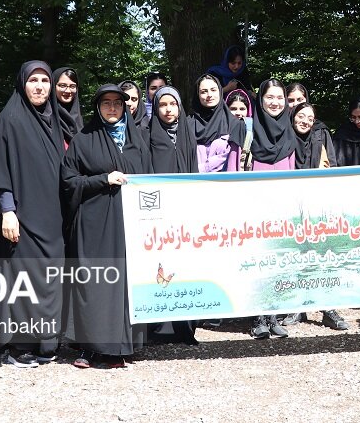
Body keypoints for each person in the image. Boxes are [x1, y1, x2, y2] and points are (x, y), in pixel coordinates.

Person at [0, 61, 66, 368]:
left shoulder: (52, 119)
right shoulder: (11, 120)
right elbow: (0, 170)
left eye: (45, 80)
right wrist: (7, 212)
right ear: (22, 84)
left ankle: (46, 343)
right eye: (34, 80)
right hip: (22, 217)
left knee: (50, 279)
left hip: (52, 217)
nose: (40, 86)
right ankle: (21, 347)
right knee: (25, 280)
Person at [61, 84, 151, 369]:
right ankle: (90, 347)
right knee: (96, 282)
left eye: (117, 104)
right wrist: (102, 179)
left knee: (124, 284)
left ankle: (120, 348)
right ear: (97, 108)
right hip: (94, 223)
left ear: (125, 107)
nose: (112, 108)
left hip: (128, 223)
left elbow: (149, 179)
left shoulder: (137, 141)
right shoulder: (83, 140)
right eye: (106, 104)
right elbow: (68, 182)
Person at [285, 102, 349, 331]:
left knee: (322, 255)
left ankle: (327, 308)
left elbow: (330, 165)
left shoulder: (320, 136)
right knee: (295, 254)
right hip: (290, 206)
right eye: (300, 116)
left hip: (316, 205)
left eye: (310, 118)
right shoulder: (284, 136)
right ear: (291, 117)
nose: (305, 121)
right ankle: (296, 305)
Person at [147, 86, 199, 346]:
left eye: (173, 104)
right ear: (155, 108)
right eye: (162, 105)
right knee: (159, 266)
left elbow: (194, 167)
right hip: (158, 213)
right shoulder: (148, 134)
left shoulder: (187, 131)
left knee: (183, 266)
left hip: (184, 209)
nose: (168, 110)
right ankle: (157, 328)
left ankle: (184, 329)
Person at [247, 78, 296, 339]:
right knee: (256, 261)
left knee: (277, 261)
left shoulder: (289, 131)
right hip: (254, 208)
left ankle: (273, 315)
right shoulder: (247, 129)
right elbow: (236, 169)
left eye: (280, 97)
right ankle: (256, 318)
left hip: (280, 209)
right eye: (270, 97)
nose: (275, 102)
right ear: (261, 100)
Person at [189, 73, 247, 173]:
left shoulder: (236, 124)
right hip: (193, 182)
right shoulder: (187, 124)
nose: (209, 95)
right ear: (197, 95)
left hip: (225, 183)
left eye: (213, 90)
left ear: (220, 91)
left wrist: (203, 168)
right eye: (204, 91)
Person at [52, 66, 83, 144]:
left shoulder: (78, 119)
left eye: (72, 86)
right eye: (62, 85)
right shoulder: (47, 117)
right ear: (53, 86)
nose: (68, 91)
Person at [225, 89, 254, 171]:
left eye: (242, 109)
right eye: (233, 109)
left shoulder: (252, 130)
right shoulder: (220, 128)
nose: (238, 113)